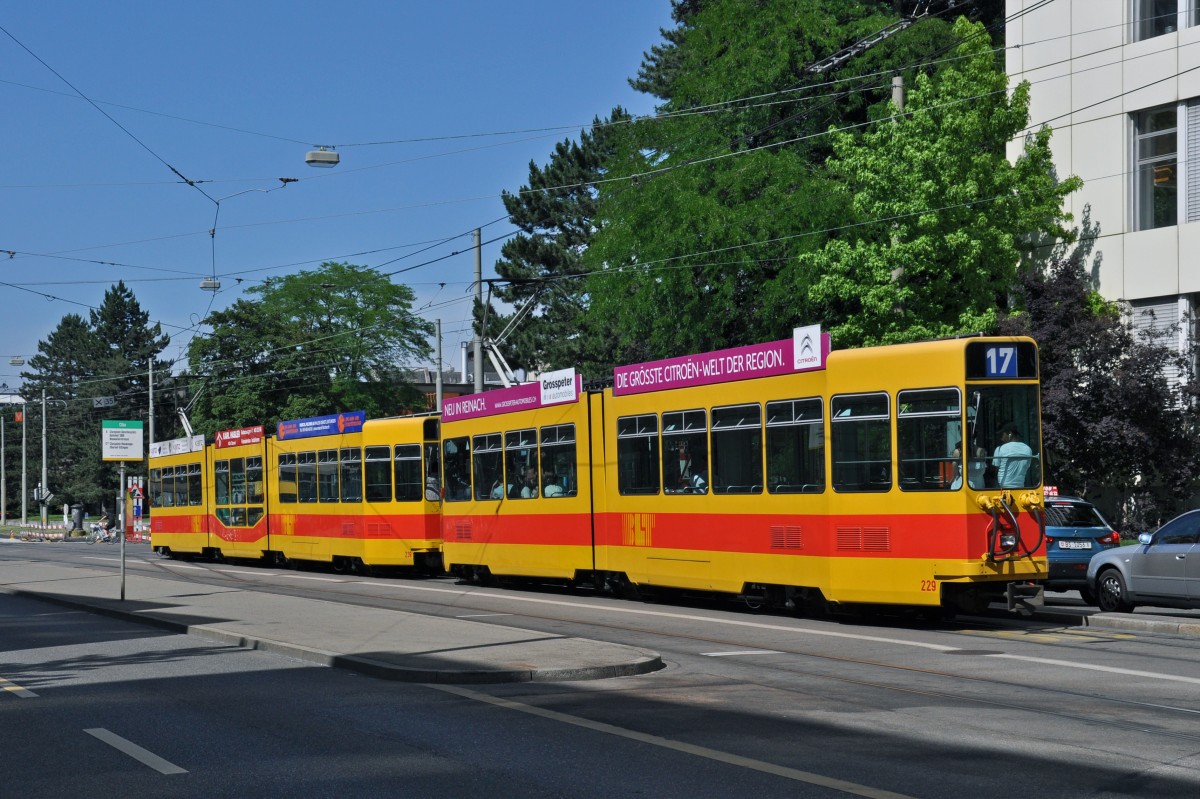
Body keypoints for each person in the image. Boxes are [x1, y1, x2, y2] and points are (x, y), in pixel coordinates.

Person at [993, 422, 1033, 488]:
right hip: (1020, 487)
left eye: (1002, 435)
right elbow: (1026, 467)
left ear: (1010, 434)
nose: (1001, 438)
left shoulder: (1000, 449)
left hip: (1002, 489)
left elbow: (996, 470)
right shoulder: (1028, 449)